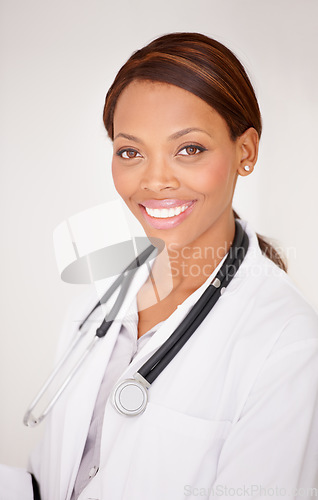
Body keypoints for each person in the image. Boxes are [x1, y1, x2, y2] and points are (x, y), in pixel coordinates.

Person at [2, 32, 318, 500]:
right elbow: (55, 479)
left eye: (189, 148)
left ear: (245, 152)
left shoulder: (287, 346)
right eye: (130, 152)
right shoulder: (95, 305)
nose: (154, 180)